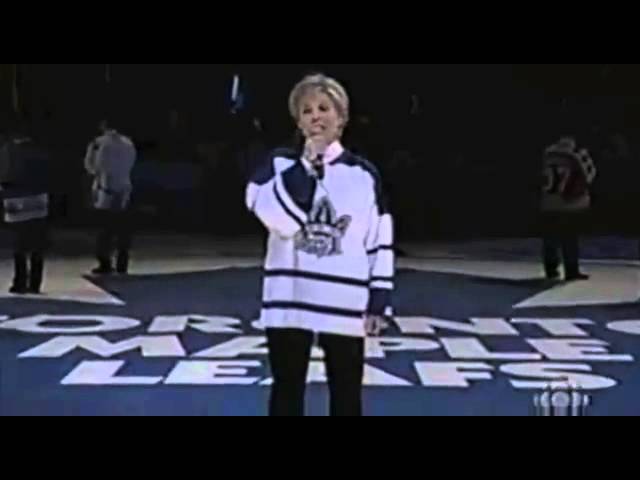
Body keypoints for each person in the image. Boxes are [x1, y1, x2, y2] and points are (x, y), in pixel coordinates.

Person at [246, 74, 394, 416]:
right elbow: (274, 217)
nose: (316, 116)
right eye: (307, 111)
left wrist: (379, 299)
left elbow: (379, 237)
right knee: (287, 388)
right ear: (298, 122)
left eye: (324, 108)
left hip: (344, 298)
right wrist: (306, 167)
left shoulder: (363, 174)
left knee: (346, 392)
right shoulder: (279, 165)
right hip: (290, 295)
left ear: (341, 118)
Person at [0, 123, 51, 294]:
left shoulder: (9, 150)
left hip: (17, 200)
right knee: (37, 244)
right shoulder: (39, 151)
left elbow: (5, 173)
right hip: (38, 200)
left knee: (19, 245)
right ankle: (35, 283)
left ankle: (20, 282)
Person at [541, 136, 597, 281]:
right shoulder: (574, 156)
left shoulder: (548, 155)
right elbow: (588, 176)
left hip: (549, 202)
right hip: (569, 204)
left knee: (550, 239)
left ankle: (551, 269)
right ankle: (571, 271)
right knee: (570, 239)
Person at [84, 120, 136, 275]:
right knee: (122, 229)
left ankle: (105, 262)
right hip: (124, 188)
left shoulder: (98, 143)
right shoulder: (128, 143)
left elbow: (91, 166)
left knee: (104, 229)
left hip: (105, 189)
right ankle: (122, 262)